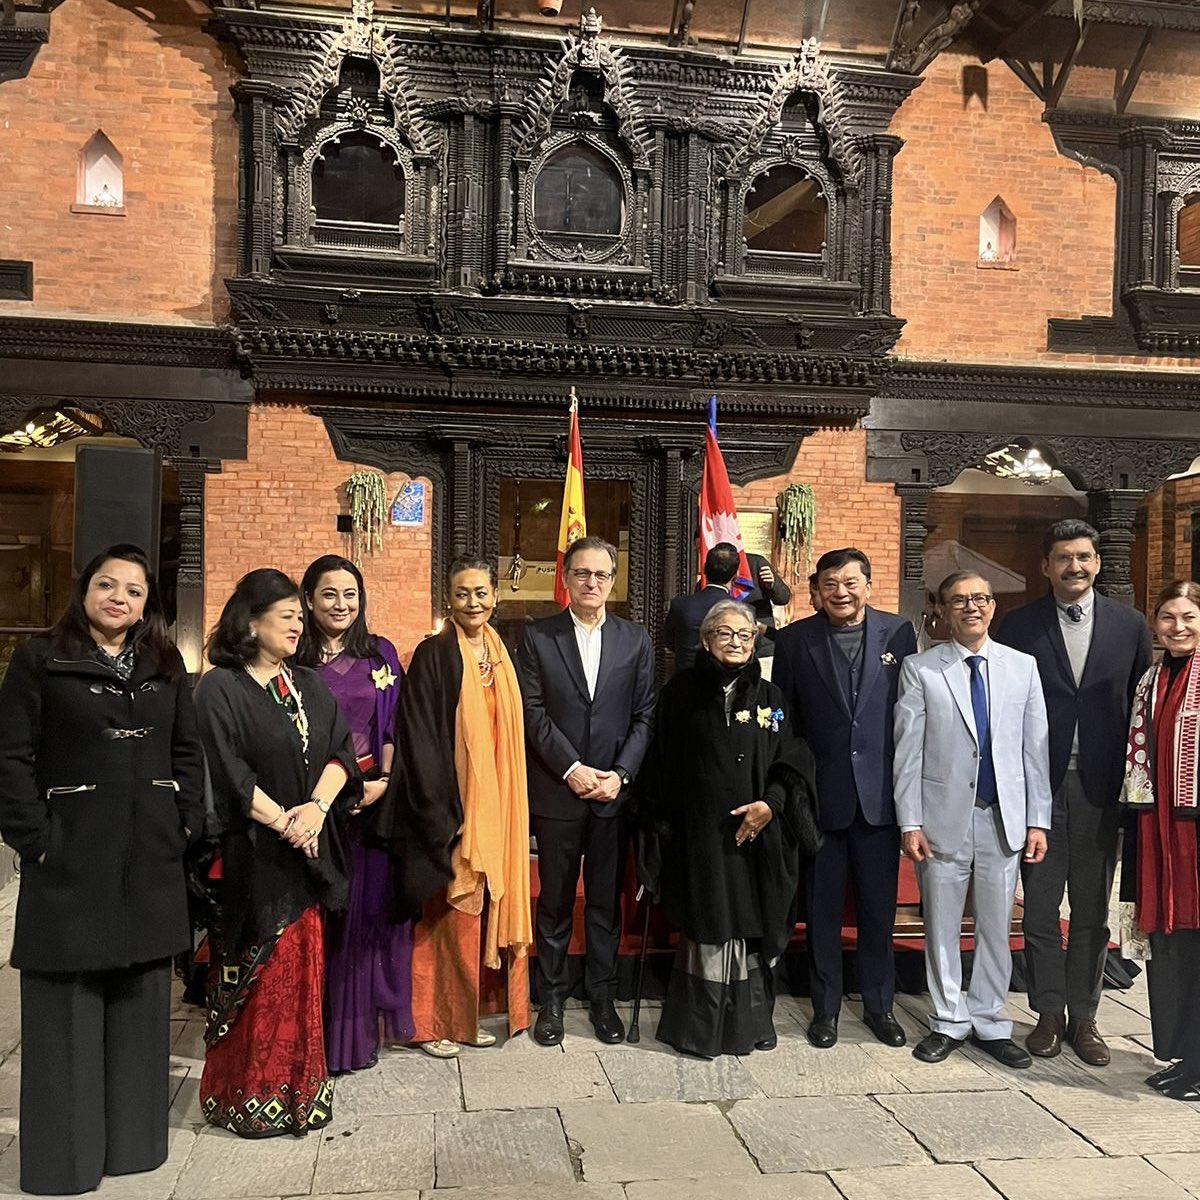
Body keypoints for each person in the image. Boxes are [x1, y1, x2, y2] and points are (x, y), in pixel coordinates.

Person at [0, 544, 204, 1195]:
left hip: (149, 859)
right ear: (85, 590)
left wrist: (186, 824)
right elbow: (9, 759)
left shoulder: (166, 665)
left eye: (134, 590)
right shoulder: (41, 660)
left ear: (148, 602)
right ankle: (65, 1164)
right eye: (108, 585)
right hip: (69, 859)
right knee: (66, 1008)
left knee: (142, 1007)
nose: (120, 598)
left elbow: (188, 752)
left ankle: (135, 1150)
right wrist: (36, 839)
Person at [194, 569, 358, 1136]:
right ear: (250, 621)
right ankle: (247, 1096)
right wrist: (285, 823)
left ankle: (300, 1093)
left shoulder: (308, 684)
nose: (297, 622)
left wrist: (314, 810)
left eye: (297, 614)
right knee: (259, 982)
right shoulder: (221, 687)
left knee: (302, 979)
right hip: (253, 856)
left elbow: (342, 752)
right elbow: (226, 771)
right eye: (285, 614)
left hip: (308, 852)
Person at [995, 519, 1152, 1065]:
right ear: (1046, 566)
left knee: (1089, 910)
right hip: (1039, 787)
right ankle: (1047, 1014)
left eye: (1083, 556)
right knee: (1039, 910)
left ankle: (1086, 1018)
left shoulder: (1130, 626)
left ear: (1097, 562)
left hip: (1101, 790)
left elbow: (1140, 710)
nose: (1075, 566)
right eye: (1063, 558)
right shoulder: (1018, 626)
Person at [637, 599, 818, 1057]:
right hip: (702, 836)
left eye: (745, 635)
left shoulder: (771, 699)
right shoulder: (678, 694)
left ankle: (751, 1022)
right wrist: (659, 827)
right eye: (725, 633)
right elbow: (661, 765)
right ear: (705, 640)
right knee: (709, 923)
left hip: (759, 836)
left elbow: (791, 760)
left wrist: (771, 805)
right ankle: (700, 1029)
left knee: (755, 923)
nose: (736, 642)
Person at [371, 557, 532, 1057]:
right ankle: (432, 1021)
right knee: (445, 913)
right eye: (463, 593)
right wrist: (447, 812)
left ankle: (465, 1017)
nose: (473, 602)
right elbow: (419, 736)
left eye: (481, 592)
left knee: (475, 911)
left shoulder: (503, 655)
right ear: (449, 600)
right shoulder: (434, 654)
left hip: (497, 802)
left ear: (495, 598)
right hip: (448, 807)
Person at [894, 571, 1051, 1069]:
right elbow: (908, 752)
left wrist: (1037, 820)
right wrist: (909, 821)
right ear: (942, 609)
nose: (971, 607)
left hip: (1003, 819)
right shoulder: (922, 669)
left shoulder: (1022, 667)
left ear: (992, 606)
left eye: (980, 598)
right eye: (959, 600)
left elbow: (1035, 749)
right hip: (942, 820)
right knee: (940, 926)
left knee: (994, 928)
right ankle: (947, 1019)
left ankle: (988, 1018)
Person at [772, 547, 917, 1049]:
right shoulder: (794, 641)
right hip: (820, 800)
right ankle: (825, 1009)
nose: (841, 592)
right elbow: (781, 719)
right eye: (830, 583)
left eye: (850, 582)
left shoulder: (900, 634)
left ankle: (880, 1006)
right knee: (823, 914)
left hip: (880, 801)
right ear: (816, 590)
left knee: (879, 913)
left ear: (868, 586)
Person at [518, 535, 656, 1047]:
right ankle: (550, 998)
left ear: (612, 581)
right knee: (553, 900)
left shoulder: (634, 639)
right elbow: (531, 713)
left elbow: (645, 715)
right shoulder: (537, 637)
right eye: (582, 573)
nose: (591, 583)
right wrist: (572, 767)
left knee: (603, 903)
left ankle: (602, 997)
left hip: (612, 796)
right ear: (566, 578)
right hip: (558, 792)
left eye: (601, 575)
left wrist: (620, 774)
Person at [296, 554, 412, 1073]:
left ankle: (353, 1036)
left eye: (350, 594)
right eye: (329, 594)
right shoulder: (293, 657)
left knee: (364, 918)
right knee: (318, 919)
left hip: (369, 806)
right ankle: (307, 1036)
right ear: (308, 599)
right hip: (309, 807)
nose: (341, 604)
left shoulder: (380, 654)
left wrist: (382, 782)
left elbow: (394, 725)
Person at [1121, 581, 1200, 1101]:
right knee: (1172, 945)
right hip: (1159, 832)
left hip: (1195, 834)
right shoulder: (1152, 677)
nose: (1178, 627)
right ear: (1155, 624)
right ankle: (1183, 1055)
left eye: (1189, 617)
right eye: (1168, 617)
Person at [663, 542, 740, 673]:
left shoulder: (680, 605)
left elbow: (669, 640)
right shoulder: (742, 610)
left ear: (704, 569)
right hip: (724, 685)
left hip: (686, 682)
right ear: (736, 575)